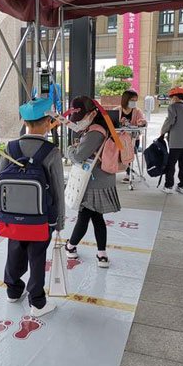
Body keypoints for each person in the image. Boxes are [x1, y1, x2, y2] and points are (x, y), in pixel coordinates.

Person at [0, 97, 65, 317]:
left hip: (12, 217)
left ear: (26, 122)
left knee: (14, 251)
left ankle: (13, 290)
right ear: (47, 123)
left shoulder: (11, 147)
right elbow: (57, 190)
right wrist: (59, 221)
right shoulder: (51, 152)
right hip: (40, 218)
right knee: (37, 257)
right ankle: (37, 302)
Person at [64, 96, 121, 268]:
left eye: (80, 118)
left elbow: (79, 156)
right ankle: (101, 254)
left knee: (84, 216)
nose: (78, 122)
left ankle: (71, 245)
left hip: (93, 182)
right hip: (100, 179)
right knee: (97, 218)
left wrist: (69, 150)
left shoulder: (95, 132)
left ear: (92, 114)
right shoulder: (101, 128)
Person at [160, 87, 183, 194]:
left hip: (175, 143)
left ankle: (168, 186)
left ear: (175, 97)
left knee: (171, 164)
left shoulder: (173, 107)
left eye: (171, 97)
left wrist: (163, 132)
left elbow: (170, 120)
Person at [117, 89, 147, 183]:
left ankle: (128, 173)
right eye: (132, 100)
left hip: (132, 139)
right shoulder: (118, 110)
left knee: (129, 150)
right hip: (119, 139)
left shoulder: (137, 111)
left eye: (135, 100)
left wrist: (141, 123)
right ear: (126, 100)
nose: (134, 102)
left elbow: (143, 122)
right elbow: (112, 123)